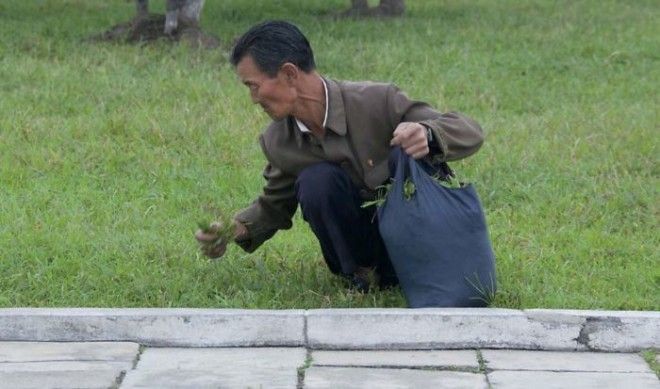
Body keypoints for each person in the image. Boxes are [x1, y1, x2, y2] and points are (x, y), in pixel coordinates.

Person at [195, 20, 484, 292]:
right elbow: (274, 206)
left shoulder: (377, 100)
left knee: (403, 150)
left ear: (289, 74)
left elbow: (468, 130)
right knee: (316, 181)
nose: (254, 99)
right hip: (366, 255)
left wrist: (427, 133)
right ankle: (363, 275)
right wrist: (233, 231)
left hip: (421, 245)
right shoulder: (278, 140)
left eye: (253, 86)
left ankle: (419, 267)